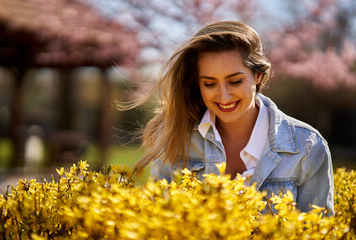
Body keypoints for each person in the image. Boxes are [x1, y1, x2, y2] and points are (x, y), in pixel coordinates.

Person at [129, 21, 334, 214]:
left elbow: (319, 230)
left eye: (235, 81)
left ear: (258, 75)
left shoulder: (308, 148)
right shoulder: (174, 138)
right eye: (209, 84)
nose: (224, 97)